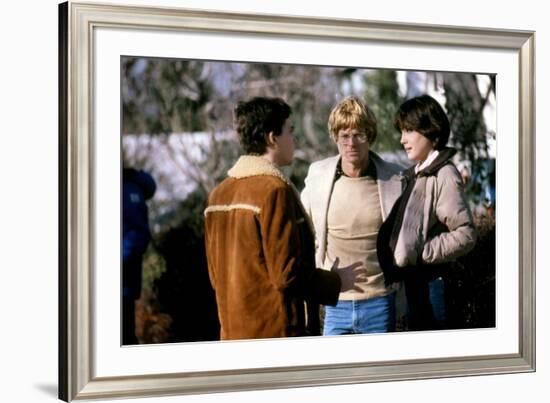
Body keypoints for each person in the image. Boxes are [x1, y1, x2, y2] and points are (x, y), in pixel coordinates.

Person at [204, 97, 341, 340]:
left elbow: (216, 278)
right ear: (272, 138)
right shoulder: (274, 191)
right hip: (276, 334)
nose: (294, 139)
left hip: (232, 333)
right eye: (290, 131)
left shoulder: (217, 195)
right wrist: (335, 282)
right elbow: (287, 274)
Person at [301, 96, 403, 335]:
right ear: (335, 138)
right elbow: (302, 232)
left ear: (371, 136)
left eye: (359, 135)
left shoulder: (395, 179)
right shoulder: (318, 177)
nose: (351, 143)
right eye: (344, 136)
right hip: (335, 303)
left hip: (380, 300)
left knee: (378, 373)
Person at [377, 94, 477, 331]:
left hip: (433, 285)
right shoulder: (419, 173)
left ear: (431, 130)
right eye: (401, 131)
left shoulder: (443, 174)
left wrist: (422, 252)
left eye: (409, 130)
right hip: (416, 284)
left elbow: (466, 234)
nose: (402, 139)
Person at [122, 167, 156, 344]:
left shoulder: (129, 191)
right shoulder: (128, 188)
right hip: (124, 282)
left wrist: (119, 262)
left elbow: (136, 233)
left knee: (124, 337)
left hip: (122, 282)